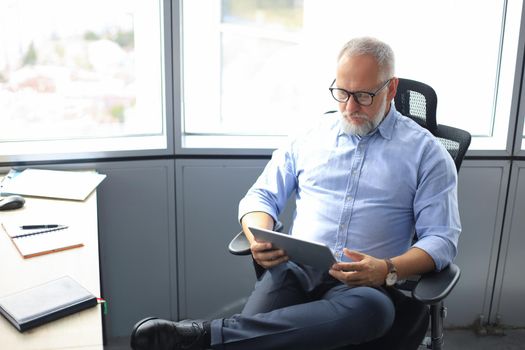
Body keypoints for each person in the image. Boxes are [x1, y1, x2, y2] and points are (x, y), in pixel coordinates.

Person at [130, 36, 461, 350]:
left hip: (365, 287)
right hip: (296, 271)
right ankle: (210, 337)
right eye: (342, 92)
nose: (349, 106)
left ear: (391, 89)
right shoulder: (310, 136)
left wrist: (388, 268)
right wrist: (257, 235)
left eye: (363, 96)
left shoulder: (427, 154)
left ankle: (202, 336)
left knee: (374, 312)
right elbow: (260, 197)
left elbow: (441, 239)